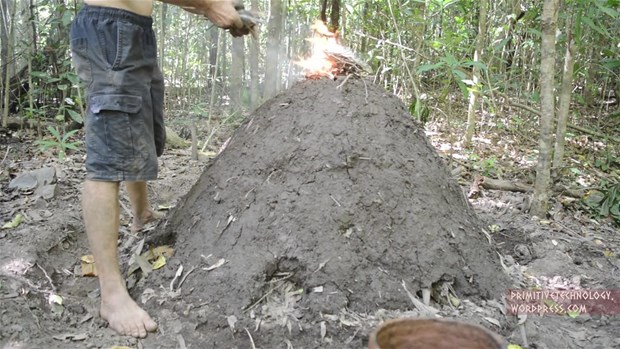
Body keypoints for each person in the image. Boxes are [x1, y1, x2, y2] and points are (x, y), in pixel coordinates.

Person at [70, 0, 249, 338]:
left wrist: (206, 6)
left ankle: (142, 215)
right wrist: (209, 5)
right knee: (107, 159)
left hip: (134, 29)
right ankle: (111, 295)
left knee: (143, 131)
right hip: (110, 29)